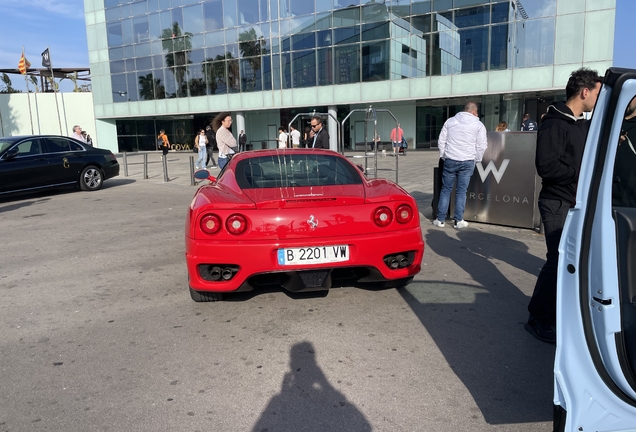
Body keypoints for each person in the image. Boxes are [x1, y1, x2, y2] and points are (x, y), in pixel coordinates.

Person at [525, 67, 602, 344]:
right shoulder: (555, 124)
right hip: (557, 203)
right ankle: (538, 319)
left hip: (573, 202)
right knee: (557, 261)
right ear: (585, 92)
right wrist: (581, 174)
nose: (598, 98)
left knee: (569, 261)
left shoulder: (580, 123)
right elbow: (546, 165)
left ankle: (555, 313)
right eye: (597, 92)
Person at [433, 101, 488, 229]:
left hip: (450, 159)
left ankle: (440, 219)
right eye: (477, 112)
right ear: (474, 112)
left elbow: (441, 141)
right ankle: (458, 221)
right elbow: (481, 145)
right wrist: (477, 159)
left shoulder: (450, 121)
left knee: (446, 189)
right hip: (468, 160)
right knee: (461, 191)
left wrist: (444, 155)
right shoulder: (478, 125)